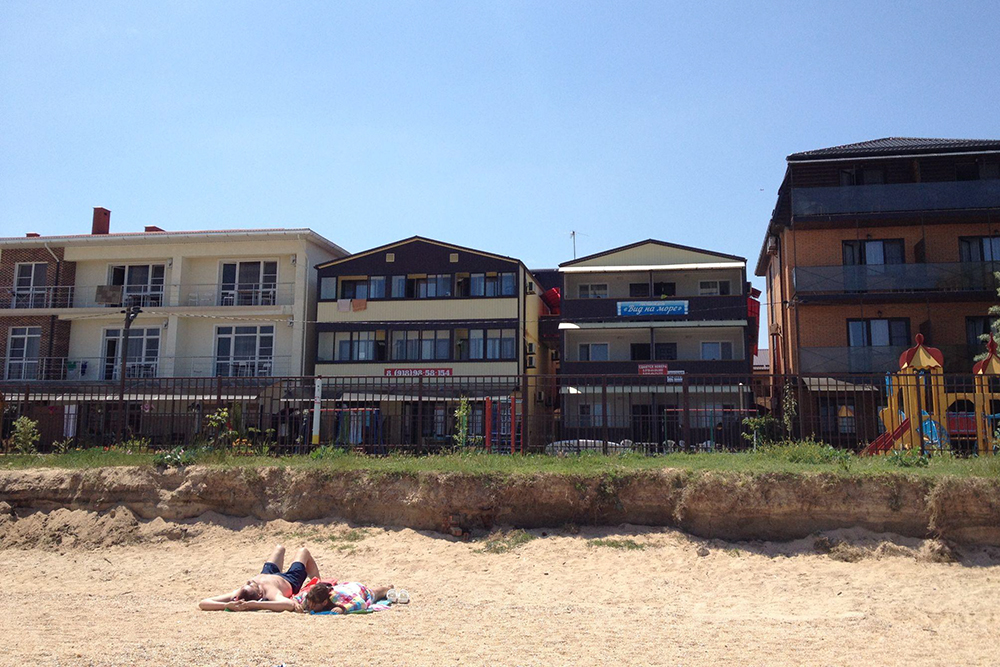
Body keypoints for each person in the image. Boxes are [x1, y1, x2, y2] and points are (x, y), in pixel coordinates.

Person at [198, 545, 319, 612]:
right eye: (252, 585)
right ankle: (320, 585)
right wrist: (256, 605)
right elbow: (288, 604)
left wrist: (226, 605)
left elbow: (204, 602)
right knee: (303, 551)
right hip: (289, 580)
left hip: (268, 573)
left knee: (279, 548)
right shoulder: (270, 592)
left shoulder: (238, 594)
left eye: (248, 583)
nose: (251, 581)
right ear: (260, 594)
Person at [296, 580, 406, 614]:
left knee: (374, 593)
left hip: (355, 590)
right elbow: (299, 597)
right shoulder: (310, 597)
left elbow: (360, 603)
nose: (310, 607)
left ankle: (387, 588)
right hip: (344, 587)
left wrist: (343, 608)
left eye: (314, 605)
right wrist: (297, 604)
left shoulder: (337, 598)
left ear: (325, 602)